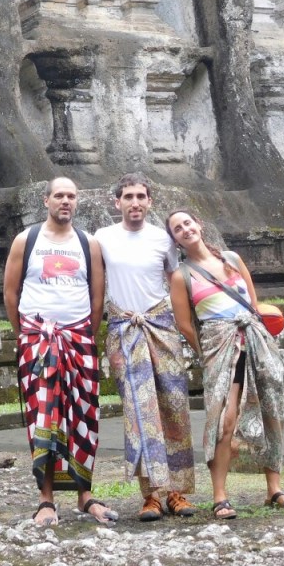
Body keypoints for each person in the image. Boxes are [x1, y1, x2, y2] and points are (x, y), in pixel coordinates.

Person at [165, 209, 284, 519]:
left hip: (255, 341)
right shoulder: (181, 276)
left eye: (188, 222)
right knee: (224, 420)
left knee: (271, 411)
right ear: (175, 239)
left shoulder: (232, 259)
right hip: (220, 347)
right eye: (177, 228)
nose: (185, 229)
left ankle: (274, 489)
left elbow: (253, 305)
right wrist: (208, 352)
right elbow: (185, 324)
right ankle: (220, 495)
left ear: (199, 224)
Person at [3, 177, 116, 526]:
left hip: (78, 339)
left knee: (84, 414)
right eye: (59, 195)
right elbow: (10, 293)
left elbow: (97, 296)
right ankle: (46, 499)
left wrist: (85, 334)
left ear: (76, 201)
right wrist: (26, 335)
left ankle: (85, 494)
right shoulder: (27, 240)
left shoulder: (88, 243)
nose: (65, 201)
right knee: (44, 417)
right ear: (46, 200)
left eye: (71, 196)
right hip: (38, 342)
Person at [94, 173, 196, 521]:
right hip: (124, 331)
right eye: (128, 196)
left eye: (141, 196)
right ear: (117, 202)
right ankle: (151, 495)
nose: (135, 202)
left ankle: (177, 491)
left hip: (161, 327)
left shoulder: (163, 239)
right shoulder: (103, 238)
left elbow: (175, 282)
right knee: (140, 413)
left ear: (149, 201)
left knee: (174, 407)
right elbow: (96, 284)